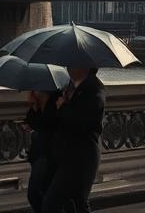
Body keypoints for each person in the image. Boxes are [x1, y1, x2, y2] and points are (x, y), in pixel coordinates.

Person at [41, 66, 105, 213]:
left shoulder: (95, 89)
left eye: (72, 62)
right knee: (76, 204)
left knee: (53, 203)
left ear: (84, 66)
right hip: (69, 155)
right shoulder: (71, 87)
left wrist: (64, 107)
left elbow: (85, 121)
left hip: (82, 157)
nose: (68, 66)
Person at [24, 89, 58, 213]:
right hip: (38, 153)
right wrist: (34, 105)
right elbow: (29, 121)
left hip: (50, 153)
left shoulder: (57, 103)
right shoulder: (38, 104)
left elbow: (47, 126)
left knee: (36, 193)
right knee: (40, 193)